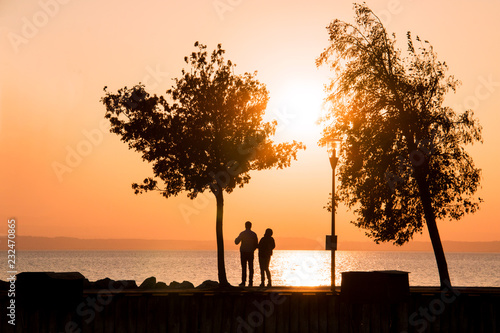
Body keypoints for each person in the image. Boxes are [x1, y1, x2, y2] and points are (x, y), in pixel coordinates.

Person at [235, 221, 258, 287]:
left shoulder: (242, 233)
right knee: (251, 267)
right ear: (251, 226)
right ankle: (250, 282)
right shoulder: (253, 234)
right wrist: (252, 249)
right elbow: (256, 244)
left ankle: (243, 282)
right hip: (250, 252)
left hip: (243, 252)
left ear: (245, 226)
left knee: (244, 267)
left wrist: (236, 239)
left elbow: (237, 242)